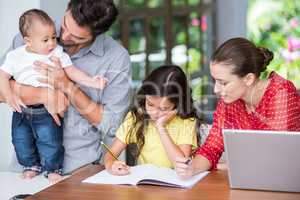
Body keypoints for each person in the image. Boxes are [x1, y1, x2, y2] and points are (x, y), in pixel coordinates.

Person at [0, 0, 131, 174]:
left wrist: (66, 86)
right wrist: (43, 94)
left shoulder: (116, 58)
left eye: (78, 37)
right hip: (25, 170)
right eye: (65, 25)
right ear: (68, 6)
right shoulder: (33, 34)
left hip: (79, 173)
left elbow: (111, 125)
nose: (65, 36)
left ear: (98, 34)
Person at [175, 37, 300, 179]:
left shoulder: (281, 93)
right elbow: (212, 147)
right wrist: (192, 168)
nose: (216, 89)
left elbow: (271, 156)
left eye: (223, 83)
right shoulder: (229, 101)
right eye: (215, 81)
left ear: (248, 79)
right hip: (251, 179)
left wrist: (229, 166)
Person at [104, 65, 200, 175]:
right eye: (150, 104)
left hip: (175, 186)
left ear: (178, 104)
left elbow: (181, 165)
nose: (154, 113)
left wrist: (161, 128)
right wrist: (111, 164)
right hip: (144, 185)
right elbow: (110, 154)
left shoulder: (186, 122)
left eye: (163, 109)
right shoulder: (136, 117)